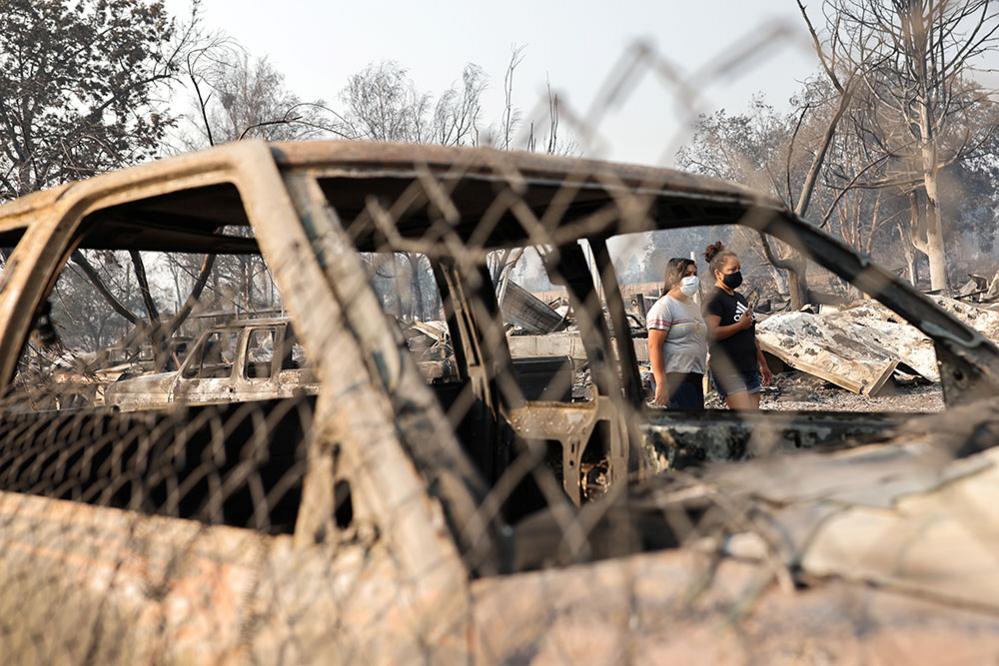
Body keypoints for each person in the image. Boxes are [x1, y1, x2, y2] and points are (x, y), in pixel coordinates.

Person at [703, 241, 772, 410]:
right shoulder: (714, 300)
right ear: (718, 274)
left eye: (739, 268)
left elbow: (751, 335)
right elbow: (711, 333)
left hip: (749, 367)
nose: (737, 273)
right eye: (732, 270)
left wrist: (763, 364)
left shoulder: (740, 298)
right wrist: (739, 325)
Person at [646, 257, 708, 409]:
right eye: (687, 275)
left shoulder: (692, 306)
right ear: (673, 277)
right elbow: (654, 346)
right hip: (674, 377)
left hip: (694, 375)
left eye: (695, 274)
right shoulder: (664, 306)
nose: (692, 279)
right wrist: (661, 382)